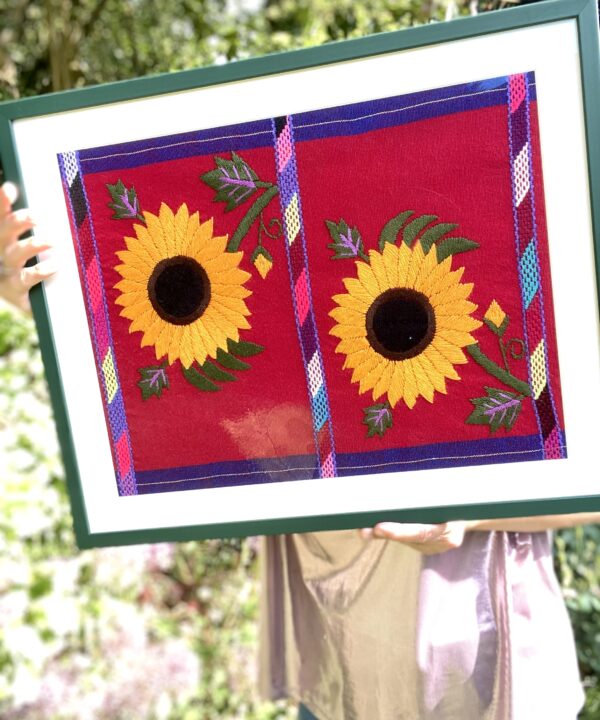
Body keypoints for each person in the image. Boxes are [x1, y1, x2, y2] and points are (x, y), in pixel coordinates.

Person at [2, 182, 599, 720]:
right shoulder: (278, 307)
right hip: (335, 666)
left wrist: (472, 512)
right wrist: (43, 297)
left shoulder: (519, 257)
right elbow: (170, 394)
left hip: (483, 676)